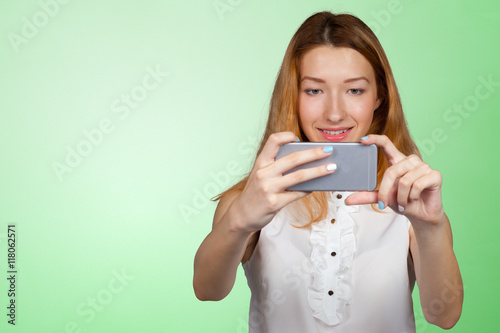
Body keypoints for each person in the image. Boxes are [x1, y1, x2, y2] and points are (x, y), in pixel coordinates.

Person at [193, 11, 463, 333]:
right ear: (292, 95)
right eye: (314, 91)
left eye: (355, 91)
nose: (334, 113)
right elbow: (207, 291)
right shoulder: (253, 199)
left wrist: (429, 226)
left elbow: (443, 316)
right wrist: (239, 220)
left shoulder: (411, 199)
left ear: (379, 97)